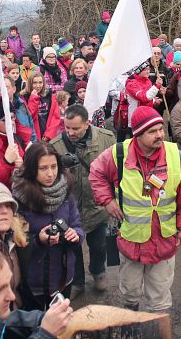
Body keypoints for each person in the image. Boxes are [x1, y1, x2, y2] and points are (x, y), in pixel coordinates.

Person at [90, 106, 181, 312]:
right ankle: (132, 321)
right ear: (137, 134)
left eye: (160, 129)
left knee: (160, 296)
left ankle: (157, 327)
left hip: (164, 242)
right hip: (132, 242)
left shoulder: (174, 155)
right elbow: (96, 172)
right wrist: (107, 200)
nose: (160, 135)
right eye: (152, 131)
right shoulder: (118, 153)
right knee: (130, 292)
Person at [50, 104, 115, 297]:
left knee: (99, 244)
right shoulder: (55, 146)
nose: (70, 132)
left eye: (75, 128)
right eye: (67, 128)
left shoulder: (106, 139)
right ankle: (76, 280)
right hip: (70, 210)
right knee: (72, 248)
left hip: (97, 206)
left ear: (87, 124)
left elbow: (116, 170)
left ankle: (98, 272)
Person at [11, 142, 84, 309]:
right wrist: (38, 240)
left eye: (54, 166)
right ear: (30, 169)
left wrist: (76, 235)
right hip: (34, 279)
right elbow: (14, 242)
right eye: (43, 168)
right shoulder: (19, 200)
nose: (50, 174)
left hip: (64, 276)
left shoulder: (66, 192)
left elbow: (77, 225)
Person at [22, 72, 61, 142]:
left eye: (40, 82)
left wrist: (48, 135)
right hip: (32, 137)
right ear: (30, 84)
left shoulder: (50, 97)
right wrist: (33, 99)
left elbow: (55, 117)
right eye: (35, 83)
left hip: (47, 136)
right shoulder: (24, 98)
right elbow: (29, 117)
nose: (38, 86)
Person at [125, 60, 163, 126]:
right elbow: (144, 97)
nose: (148, 71)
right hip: (136, 118)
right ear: (138, 71)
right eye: (145, 69)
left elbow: (148, 96)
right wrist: (157, 86)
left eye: (149, 69)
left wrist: (154, 101)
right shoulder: (131, 84)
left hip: (147, 116)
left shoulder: (147, 80)